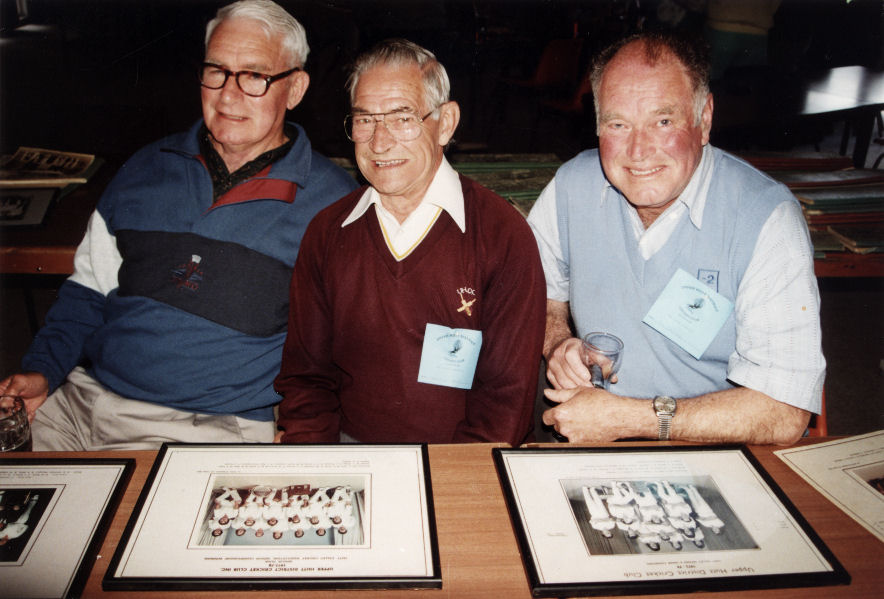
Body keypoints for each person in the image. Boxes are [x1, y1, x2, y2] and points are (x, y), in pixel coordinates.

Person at [0, 0, 356, 450]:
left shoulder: (333, 205)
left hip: (207, 427)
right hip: (80, 404)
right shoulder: (144, 167)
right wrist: (42, 369)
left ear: (296, 88)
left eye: (254, 76)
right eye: (217, 71)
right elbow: (88, 292)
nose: (228, 96)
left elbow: (342, 352)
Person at [527, 31, 824, 446]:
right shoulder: (570, 188)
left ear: (704, 119)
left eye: (663, 121)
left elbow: (784, 413)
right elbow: (538, 294)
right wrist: (557, 343)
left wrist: (632, 419)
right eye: (618, 124)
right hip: (590, 436)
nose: (638, 150)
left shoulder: (767, 220)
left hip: (718, 450)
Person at [273, 39, 546, 445]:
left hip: (458, 464)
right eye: (365, 120)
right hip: (349, 453)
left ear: (446, 123)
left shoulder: (501, 235)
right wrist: (318, 468)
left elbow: (505, 404)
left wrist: (447, 487)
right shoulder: (328, 232)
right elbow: (307, 379)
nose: (379, 142)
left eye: (402, 118)